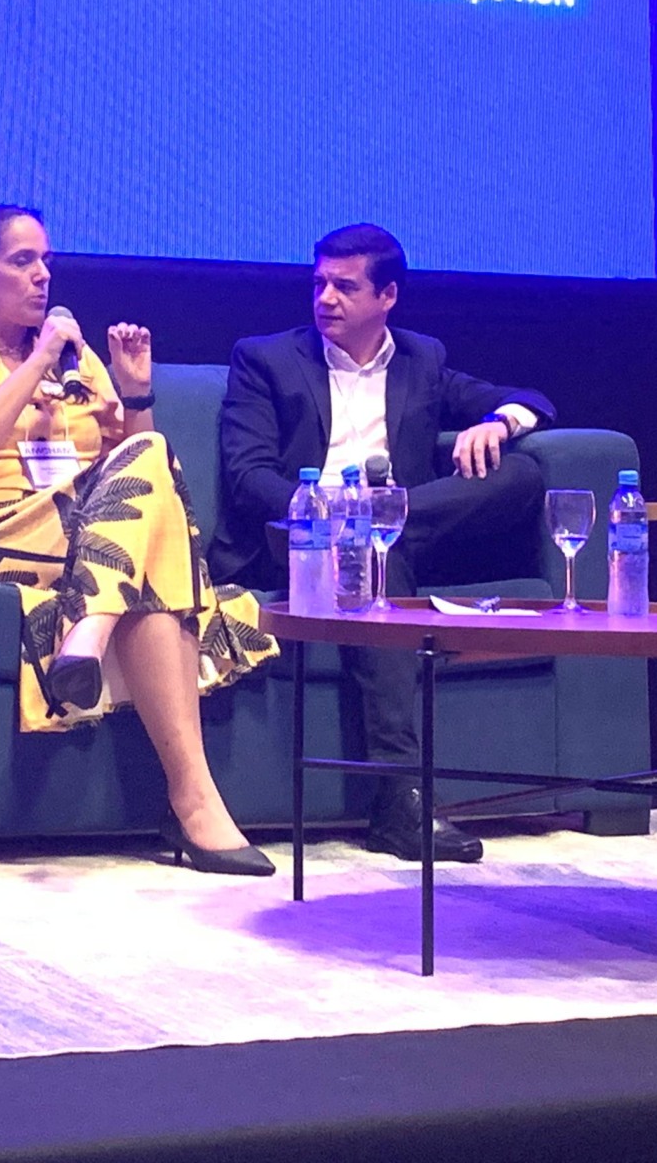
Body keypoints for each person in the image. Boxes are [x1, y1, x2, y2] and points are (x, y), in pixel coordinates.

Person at [0, 206, 279, 875]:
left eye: (46, 262)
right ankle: (184, 788)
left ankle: (177, 774)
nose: (42, 276)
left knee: (151, 456)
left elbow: (145, 476)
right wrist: (36, 361)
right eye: (22, 261)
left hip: (82, 539)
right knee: (151, 573)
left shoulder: (81, 362)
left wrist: (134, 394)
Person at [215, 223, 555, 863]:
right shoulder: (266, 359)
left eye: (344, 287)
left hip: (401, 530)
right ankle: (403, 802)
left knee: (521, 474)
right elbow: (247, 474)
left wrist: (498, 423)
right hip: (299, 539)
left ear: (387, 296)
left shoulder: (421, 360)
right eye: (318, 284)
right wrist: (327, 511)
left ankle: (379, 519)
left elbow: (525, 398)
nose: (325, 299)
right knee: (375, 547)